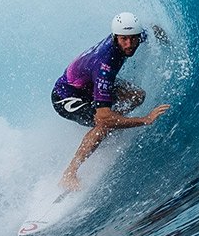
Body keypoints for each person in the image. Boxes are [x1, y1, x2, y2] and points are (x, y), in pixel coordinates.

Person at [52, 11, 171, 191]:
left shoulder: (133, 35)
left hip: (89, 85)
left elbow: (150, 30)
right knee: (104, 123)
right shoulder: (105, 65)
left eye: (133, 39)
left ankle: (115, 126)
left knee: (136, 96)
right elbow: (103, 117)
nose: (129, 45)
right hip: (67, 96)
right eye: (124, 39)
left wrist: (160, 34)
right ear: (115, 37)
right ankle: (69, 174)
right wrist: (145, 120)